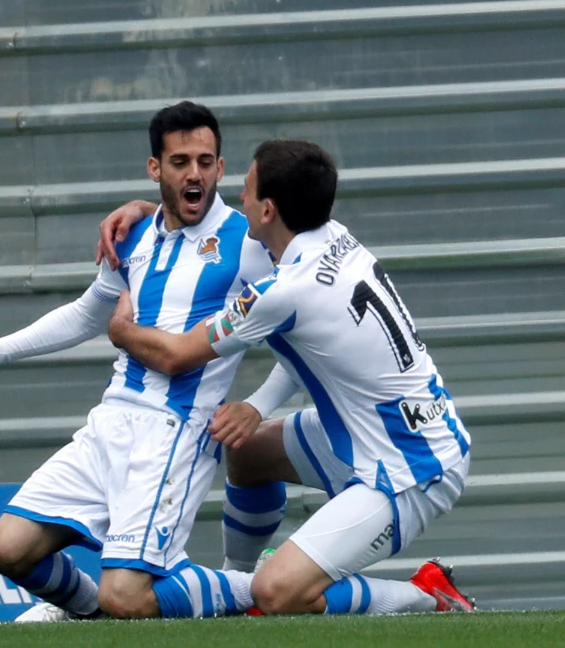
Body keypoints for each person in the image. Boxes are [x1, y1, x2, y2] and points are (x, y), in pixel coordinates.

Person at [99, 139, 475, 615]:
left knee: (278, 591)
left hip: (410, 469)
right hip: (384, 430)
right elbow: (309, 344)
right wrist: (156, 213)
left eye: (248, 190)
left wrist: (120, 329)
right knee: (249, 452)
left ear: (270, 210)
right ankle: (242, 588)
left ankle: (429, 597)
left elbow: (176, 356)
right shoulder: (331, 234)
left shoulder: (283, 290)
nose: (238, 199)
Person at [0, 101, 277, 621]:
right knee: (6, 549)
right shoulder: (134, 234)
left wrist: (257, 403)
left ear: (221, 169)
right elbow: (87, 313)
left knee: (128, 595)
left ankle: (264, 587)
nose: (195, 174)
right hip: (111, 423)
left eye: (206, 162)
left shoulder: (247, 242)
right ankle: (87, 613)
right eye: (180, 162)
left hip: (176, 430)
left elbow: (306, 322)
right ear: (155, 169)